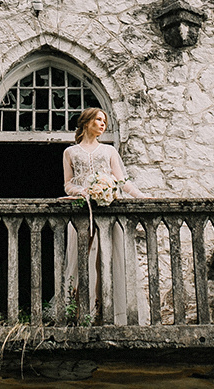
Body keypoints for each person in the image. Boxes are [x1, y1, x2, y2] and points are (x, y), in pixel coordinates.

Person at [61, 107, 147, 325]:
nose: (102, 124)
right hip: (84, 210)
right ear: (87, 122)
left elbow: (121, 181)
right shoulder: (70, 152)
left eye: (104, 121)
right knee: (81, 260)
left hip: (108, 210)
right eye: (98, 120)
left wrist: (139, 196)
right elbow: (68, 184)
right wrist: (82, 191)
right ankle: (76, 310)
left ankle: (101, 310)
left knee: (104, 261)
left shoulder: (108, 151)